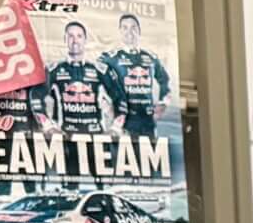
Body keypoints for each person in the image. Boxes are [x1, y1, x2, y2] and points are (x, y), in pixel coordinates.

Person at [100, 9, 171, 139]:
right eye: (125, 28)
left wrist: (163, 103)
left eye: (133, 27)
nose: (129, 32)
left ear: (139, 31)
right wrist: (106, 105)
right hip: (122, 123)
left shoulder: (151, 58)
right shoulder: (110, 58)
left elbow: (165, 80)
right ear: (119, 31)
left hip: (148, 123)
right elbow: (95, 82)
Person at [41, 18, 114, 138]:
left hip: (95, 136)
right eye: (70, 36)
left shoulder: (100, 70)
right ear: (65, 39)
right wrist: (48, 126)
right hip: (64, 137)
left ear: (85, 40)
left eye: (79, 36)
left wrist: (114, 126)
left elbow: (119, 99)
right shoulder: (53, 69)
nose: (75, 41)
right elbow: (36, 97)